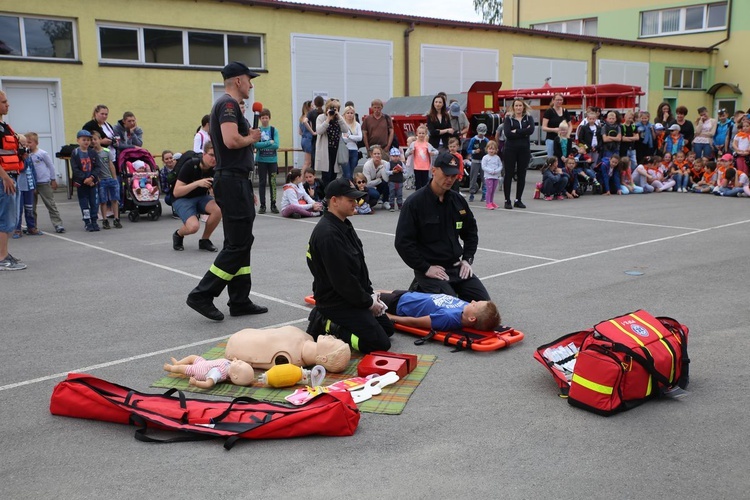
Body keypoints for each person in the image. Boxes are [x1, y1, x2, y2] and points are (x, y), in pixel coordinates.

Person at [187, 61, 267, 321]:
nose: (251, 84)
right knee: (239, 243)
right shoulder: (229, 105)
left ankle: (240, 299)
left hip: (236, 180)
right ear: (237, 81)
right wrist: (251, 138)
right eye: (249, 79)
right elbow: (232, 140)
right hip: (232, 181)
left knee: (241, 241)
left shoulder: (227, 105)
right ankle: (202, 294)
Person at [306, 177, 394, 354]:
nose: (356, 203)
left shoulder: (343, 224)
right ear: (334, 201)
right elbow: (343, 282)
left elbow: (358, 268)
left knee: (387, 328)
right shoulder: (328, 234)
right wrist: (368, 303)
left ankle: (341, 322)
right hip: (336, 302)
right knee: (379, 343)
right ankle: (328, 324)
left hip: (350, 296)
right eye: (350, 200)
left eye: (356, 199)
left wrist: (370, 293)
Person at [395, 152, 490, 302]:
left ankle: (424, 290)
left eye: (453, 175)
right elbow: (403, 243)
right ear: (434, 170)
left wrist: (467, 259)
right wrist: (425, 268)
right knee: (451, 307)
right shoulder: (415, 203)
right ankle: (420, 288)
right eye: (446, 174)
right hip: (431, 270)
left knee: (484, 305)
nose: (450, 179)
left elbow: (471, 231)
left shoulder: (458, 201)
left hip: (456, 267)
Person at [225, 326, 351, 372]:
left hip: (239, 343)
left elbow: (257, 358)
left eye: (333, 343)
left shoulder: (289, 358)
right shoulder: (308, 338)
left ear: (324, 358)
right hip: (246, 334)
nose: (331, 337)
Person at [172, 141, 221, 251]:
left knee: (218, 210)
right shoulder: (190, 165)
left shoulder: (215, 169)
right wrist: (197, 183)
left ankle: (205, 240)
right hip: (182, 199)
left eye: (217, 156)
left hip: (201, 198)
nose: (214, 159)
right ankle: (178, 234)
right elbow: (176, 192)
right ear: (204, 154)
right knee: (193, 227)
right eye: (211, 155)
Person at [380, 290, 500, 332]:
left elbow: (415, 322)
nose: (473, 301)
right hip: (412, 296)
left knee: (369, 295)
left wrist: (391, 317)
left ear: (472, 319)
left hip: (400, 304)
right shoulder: (466, 309)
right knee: (375, 291)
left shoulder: (448, 318)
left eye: (475, 305)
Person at [0, 91, 26, 270]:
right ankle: (2, 258)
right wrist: (5, 177)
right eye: (4, 102)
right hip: (5, 179)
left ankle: (4, 253)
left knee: (11, 218)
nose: (7, 104)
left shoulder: (5, 126)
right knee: (5, 219)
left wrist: (20, 138)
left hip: (11, 175)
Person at [26, 132, 65, 233]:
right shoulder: (25, 155)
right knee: (31, 206)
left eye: (29, 142)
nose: (27, 144)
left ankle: (58, 224)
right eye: (26, 142)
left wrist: (53, 179)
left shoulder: (42, 154)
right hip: (31, 183)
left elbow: (51, 166)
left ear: (36, 143)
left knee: (50, 204)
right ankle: (32, 226)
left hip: (43, 182)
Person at [502, 98, 535, 210]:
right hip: (510, 149)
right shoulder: (508, 119)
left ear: (523, 106)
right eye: (516, 106)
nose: (518, 108)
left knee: (522, 174)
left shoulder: (528, 118)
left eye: (520, 105)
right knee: (509, 173)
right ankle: (507, 200)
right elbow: (508, 134)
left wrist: (516, 131)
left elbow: (530, 131)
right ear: (513, 107)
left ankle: (518, 200)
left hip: (524, 149)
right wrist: (523, 132)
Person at [70, 130, 103, 232]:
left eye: (88, 140)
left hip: (93, 183)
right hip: (82, 183)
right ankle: (87, 222)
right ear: (78, 140)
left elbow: (98, 166)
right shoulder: (75, 153)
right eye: (84, 140)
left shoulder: (92, 152)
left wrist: (92, 177)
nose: (86, 142)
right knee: (84, 204)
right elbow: (75, 169)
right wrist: (84, 179)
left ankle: (94, 221)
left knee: (94, 203)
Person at [163, 355, 255, 389]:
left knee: (182, 368)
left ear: (234, 375)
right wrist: (235, 360)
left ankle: (171, 368)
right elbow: (232, 362)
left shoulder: (218, 373)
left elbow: (208, 384)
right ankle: (177, 362)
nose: (239, 361)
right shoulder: (230, 365)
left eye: (239, 364)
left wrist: (196, 383)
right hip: (203, 362)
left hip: (198, 370)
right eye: (241, 362)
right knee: (192, 357)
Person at [91, 131, 121, 229]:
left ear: (100, 140)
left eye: (95, 139)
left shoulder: (106, 151)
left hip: (110, 178)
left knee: (114, 199)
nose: (93, 142)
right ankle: (105, 219)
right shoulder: (91, 154)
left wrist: (114, 178)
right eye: (91, 140)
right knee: (103, 201)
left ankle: (116, 218)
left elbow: (111, 164)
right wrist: (97, 179)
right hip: (101, 181)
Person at [12, 134, 40, 238]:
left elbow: (33, 171)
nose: (25, 146)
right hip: (19, 186)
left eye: (25, 144)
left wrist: (35, 185)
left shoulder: (28, 155)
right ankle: (17, 229)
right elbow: (21, 168)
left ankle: (31, 227)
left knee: (30, 208)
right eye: (22, 144)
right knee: (18, 209)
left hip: (29, 186)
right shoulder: (16, 156)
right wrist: (23, 159)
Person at [314, 98, 347, 186]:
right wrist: (328, 119)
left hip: (335, 150)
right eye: (332, 108)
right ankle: (326, 196)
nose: (333, 110)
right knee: (326, 175)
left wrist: (339, 116)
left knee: (333, 175)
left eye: (336, 108)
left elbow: (345, 129)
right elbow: (319, 131)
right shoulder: (321, 117)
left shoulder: (339, 119)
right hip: (325, 150)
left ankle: (331, 195)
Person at [255, 108, 279, 214]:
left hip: (272, 160)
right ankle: (262, 205)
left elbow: (276, 145)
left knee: (273, 182)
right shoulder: (258, 131)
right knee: (262, 182)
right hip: (261, 160)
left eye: (266, 117)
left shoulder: (274, 130)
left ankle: (273, 204)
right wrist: (269, 142)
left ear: (269, 118)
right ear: (260, 119)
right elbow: (256, 144)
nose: (265, 120)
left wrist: (266, 144)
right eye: (263, 118)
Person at [404, 124, 438, 190]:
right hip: (416, 167)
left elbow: (436, 151)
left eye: (423, 133)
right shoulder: (413, 144)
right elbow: (406, 154)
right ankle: (418, 198)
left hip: (426, 167)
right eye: (420, 133)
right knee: (418, 184)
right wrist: (410, 152)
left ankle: (424, 197)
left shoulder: (427, 144)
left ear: (425, 134)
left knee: (425, 184)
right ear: (417, 133)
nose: (421, 135)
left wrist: (432, 153)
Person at [541, 93, 570, 158]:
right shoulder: (549, 111)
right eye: (557, 100)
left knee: (563, 157)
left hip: (563, 139)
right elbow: (543, 127)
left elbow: (570, 125)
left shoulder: (565, 111)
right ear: (553, 100)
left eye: (561, 100)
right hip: (551, 139)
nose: (559, 101)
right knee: (552, 158)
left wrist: (568, 134)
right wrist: (554, 130)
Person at [362, 145, 390, 209]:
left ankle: (385, 201)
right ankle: (368, 202)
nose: (377, 155)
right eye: (375, 154)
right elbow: (367, 183)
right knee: (375, 194)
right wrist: (379, 180)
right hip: (368, 186)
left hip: (378, 184)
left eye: (378, 154)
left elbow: (386, 179)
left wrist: (382, 167)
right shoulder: (367, 165)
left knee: (386, 184)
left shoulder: (385, 163)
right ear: (371, 155)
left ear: (381, 155)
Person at [466, 123, 489, 202]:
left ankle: (484, 194)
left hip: (483, 161)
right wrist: (474, 151)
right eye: (480, 134)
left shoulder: (486, 140)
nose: (481, 135)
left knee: (484, 178)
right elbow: (468, 149)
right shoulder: (473, 139)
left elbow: (489, 149)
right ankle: (471, 194)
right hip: (475, 161)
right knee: (473, 178)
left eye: (482, 134)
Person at [341, 105, 362, 180]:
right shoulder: (342, 124)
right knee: (347, 173)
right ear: (344, 114)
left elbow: (360, 138)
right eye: (348, 113)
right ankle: (348, 188)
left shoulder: (357, 125)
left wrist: (349, 137)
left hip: (354, 150)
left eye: (351, 113)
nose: (350, 114)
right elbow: (343, 138)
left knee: (351, 171)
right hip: (344, 150)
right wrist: (353, 138)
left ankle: (345, 186)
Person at [481, 140, 502, 209]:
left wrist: (496, 171)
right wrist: (490, 171)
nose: (491, 150)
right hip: (488, 176)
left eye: (493, 149)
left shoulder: (497, 158)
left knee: (493, 190)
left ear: (496, 150)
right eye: (490, 149)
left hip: (495, 176)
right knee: (489, 189)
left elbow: (500, 166)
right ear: (487, 149)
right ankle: (488, 203)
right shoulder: (485, 157)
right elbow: (483, 166)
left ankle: (492, 202)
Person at [306, 96, 324, 168]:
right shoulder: (324, 112)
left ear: (315, 103)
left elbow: (305, 121)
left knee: (314, 156)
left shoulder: (311, 113)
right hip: (323, 135)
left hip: (315, 136)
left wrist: (312, 132)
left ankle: (312, 172)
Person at [158, 150, 178, 215]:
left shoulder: (181, 168)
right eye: (166, 159)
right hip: (171, 192)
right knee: (168, 198)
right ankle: (175, 208)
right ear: (163, 161)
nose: (169, 160)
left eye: (171, 158)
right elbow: (163, 188)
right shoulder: (162, 172)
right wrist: (172, 191)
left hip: (183, 189)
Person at [385, 146, 405, 212]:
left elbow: (405, 171)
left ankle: (400, 205)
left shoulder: (401, 163)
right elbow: (386, 172)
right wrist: (392, 172)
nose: (395, 158)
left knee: (400, 194)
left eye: (397, 156)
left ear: (399, 156)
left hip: (399, 181)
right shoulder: (389, 163)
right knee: (392, 194)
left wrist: (402, 170)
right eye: (393, 156)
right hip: (392, 181)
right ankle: (392, 206)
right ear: (390, 156)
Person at [299, 100, 314, 169]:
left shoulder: (302, 118)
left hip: (304, 139)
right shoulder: (308, 118)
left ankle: (305, 177)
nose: (313, 107)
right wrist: (312, 132)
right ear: (309, 108)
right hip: (309, 140)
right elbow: (311, 127)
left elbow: (300, 132)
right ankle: (302, 177)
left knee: (307, 162)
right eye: (312, 106)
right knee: (307, 162)